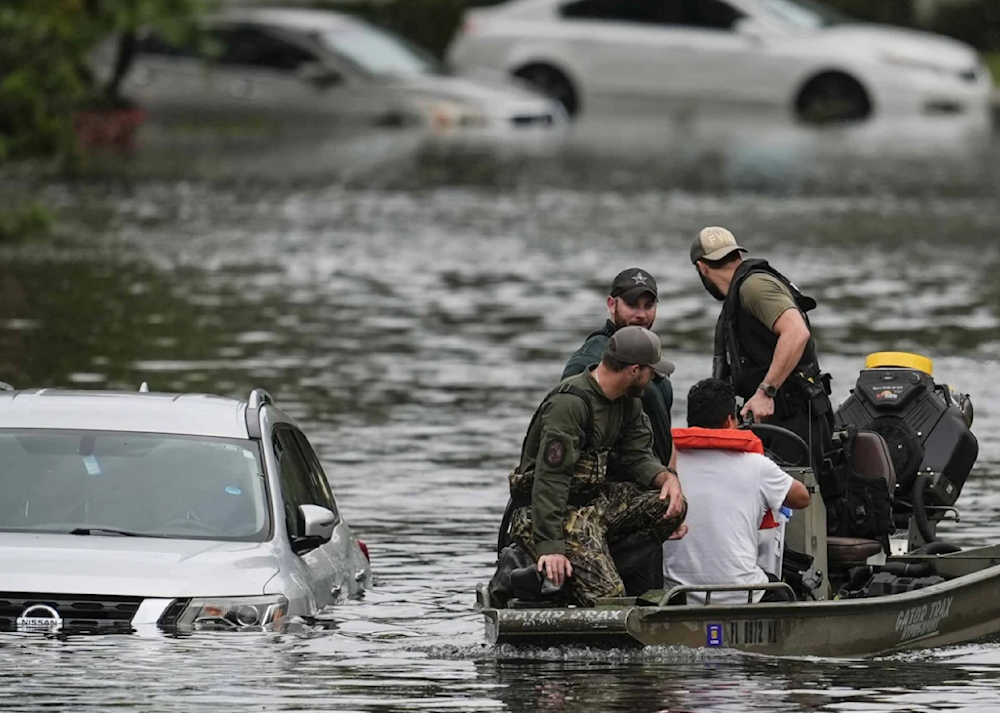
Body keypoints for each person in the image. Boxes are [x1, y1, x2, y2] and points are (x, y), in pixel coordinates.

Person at [506, 326, 688, 606]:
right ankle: (533, 574)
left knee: (671, 505)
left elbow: (637, 456)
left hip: (592, 507)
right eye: (651, 370)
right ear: (634, 370)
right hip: (543, 514)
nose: (654, 377)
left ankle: (594, 564)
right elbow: (550, 481)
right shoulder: (570, 404)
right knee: (609, 599)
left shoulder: (628, 402)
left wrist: (666, 478)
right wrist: (551, 547)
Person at [690, 226, 834, 473]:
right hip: (776, 420)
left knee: (794, 506)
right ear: (737, 255)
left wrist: (766, 392)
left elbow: (796, 332)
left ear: (702, 267)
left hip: (795, 419)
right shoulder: (739, 294)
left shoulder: (753, 287)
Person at [663, 378, 811, 604]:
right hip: (743, 595)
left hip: (678, 598)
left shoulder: (667, 466)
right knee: (789, 587)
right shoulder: (757, 465)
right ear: (729, 420)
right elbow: (802, 498)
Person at [563, 267, 675, 470]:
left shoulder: (653, 359)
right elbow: (566, 436)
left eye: (648, 306)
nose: (641, 315)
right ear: (611, 304)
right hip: (615, 492)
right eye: (632, 305)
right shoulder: (588, 361)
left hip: (654, 482)